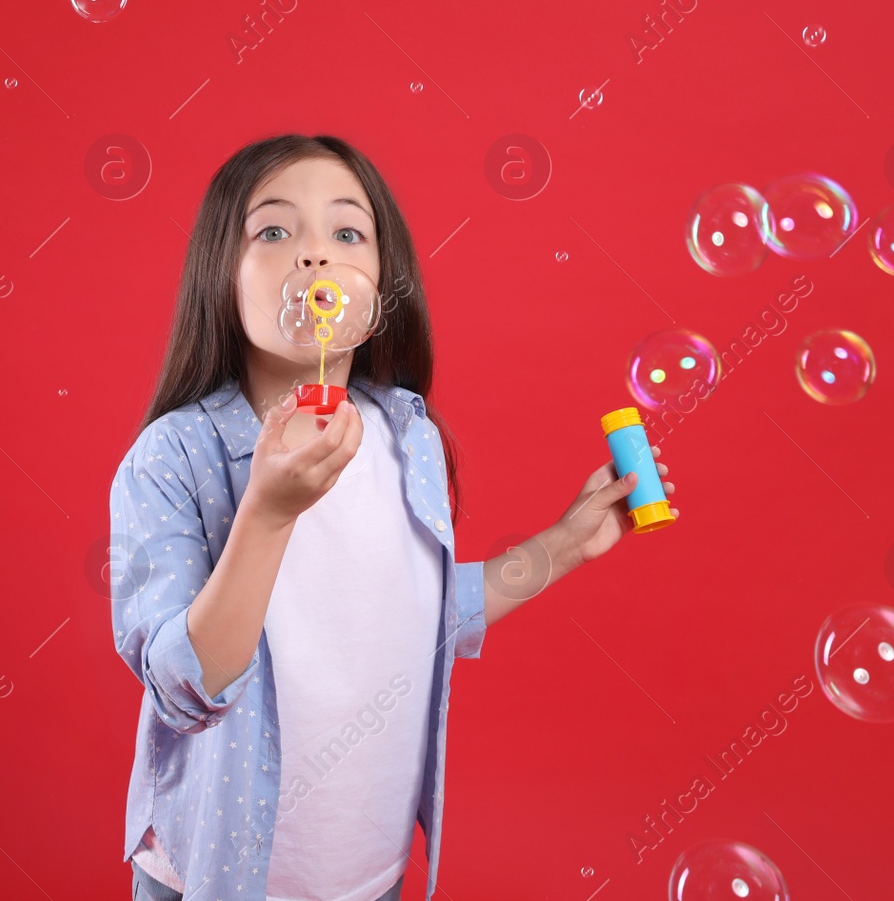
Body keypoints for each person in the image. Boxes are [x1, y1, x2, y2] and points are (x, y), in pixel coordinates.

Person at [110, 133, 677, 900]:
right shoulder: (173, 456)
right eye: (273, 230)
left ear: (382, 286)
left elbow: (419, 617)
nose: (314, 256)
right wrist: (269, 515)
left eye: (347, 232)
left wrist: (565, 543)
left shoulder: (404, 431)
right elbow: (185, 685)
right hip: (217, 879)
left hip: (369, 876)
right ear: (222, 274)